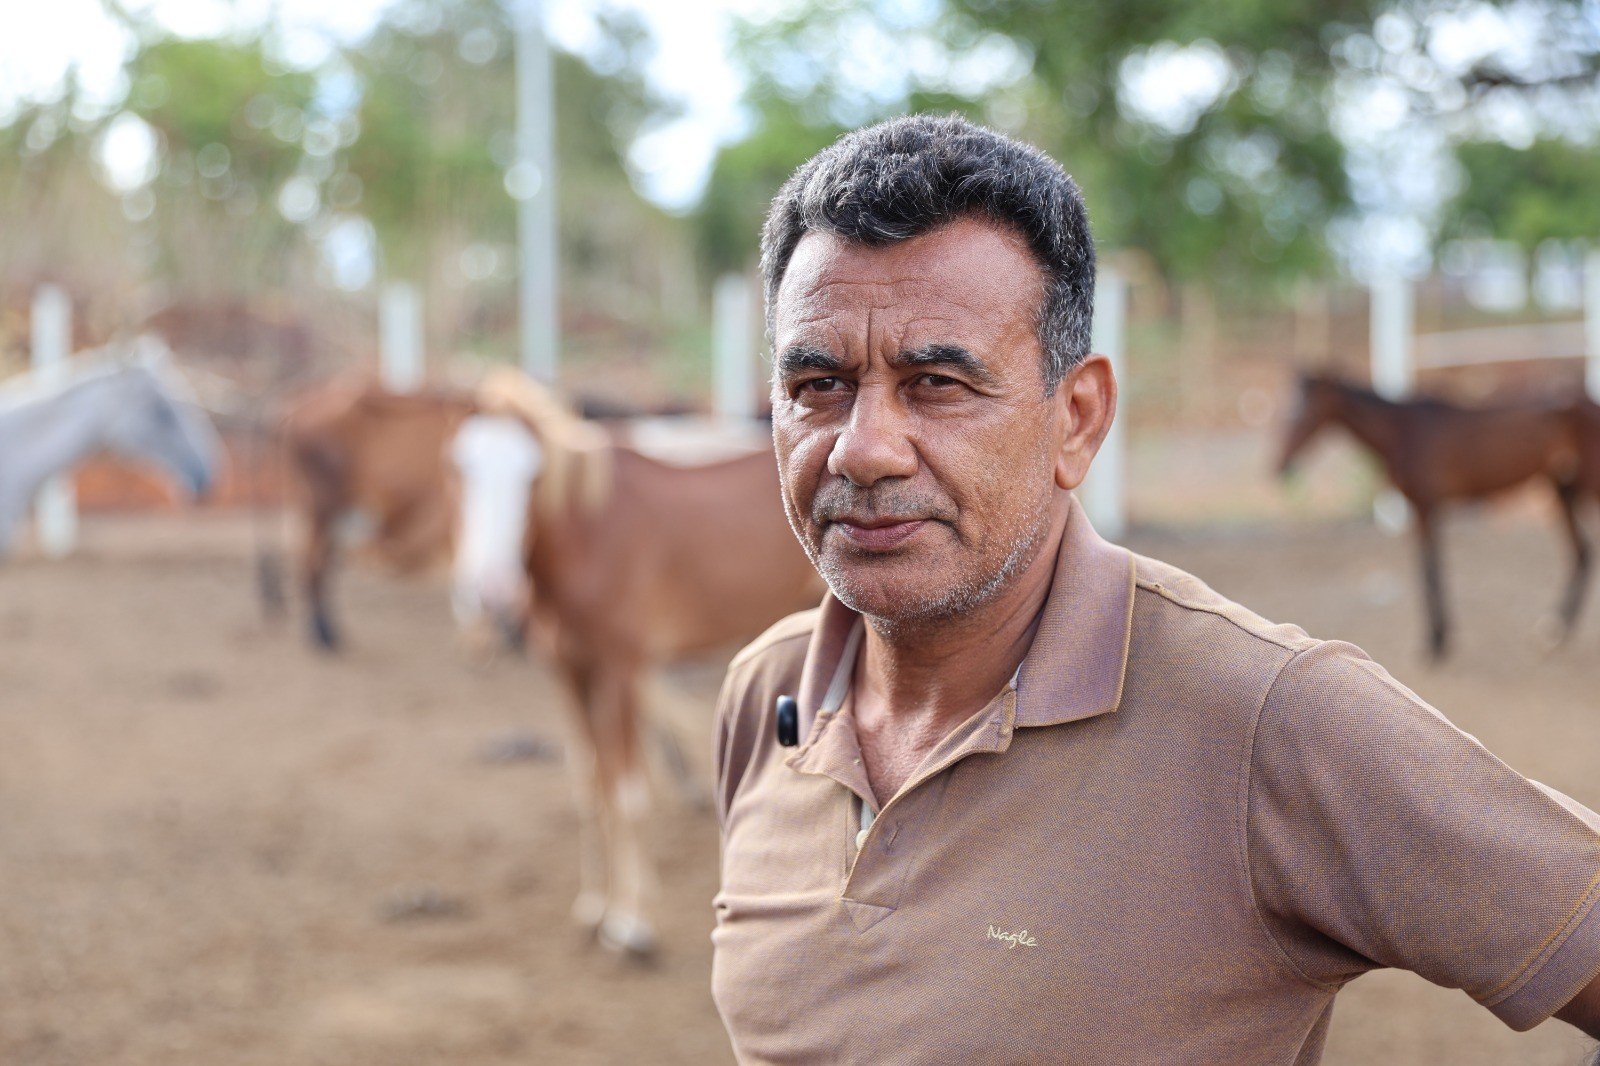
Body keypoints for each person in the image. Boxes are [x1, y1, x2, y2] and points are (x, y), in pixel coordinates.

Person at [710, 113, 1600, 1064]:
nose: (863, 449)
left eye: (937, 382)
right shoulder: (769, 697)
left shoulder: (1265, 720)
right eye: (818, 385)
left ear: (1078, 420)